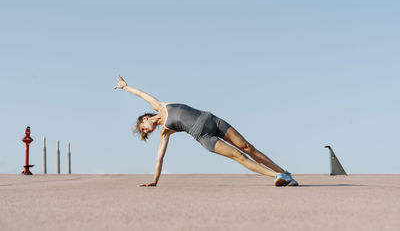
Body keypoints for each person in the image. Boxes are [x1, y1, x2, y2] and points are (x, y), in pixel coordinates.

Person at [114, 75, 298, 187]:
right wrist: (155, 180)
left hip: (212, 120)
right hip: (205, 137)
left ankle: (285, 174)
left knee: (247, 147)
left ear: (145, 118)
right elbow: (159, 158)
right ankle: (276, 176)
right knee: (239, 156)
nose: (147, 131)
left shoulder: (159, 106)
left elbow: (140, 94)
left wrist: (125, 87)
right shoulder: (165, 131)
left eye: (143, 128)